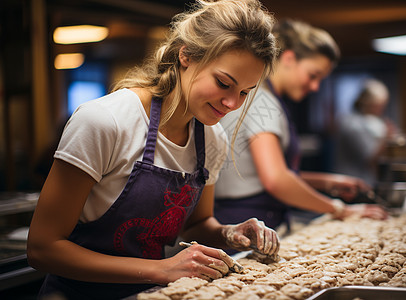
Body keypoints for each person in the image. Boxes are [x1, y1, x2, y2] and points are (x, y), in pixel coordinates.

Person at [26, 1, 279, 299]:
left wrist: (228, 233)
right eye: (224, 83)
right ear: (186, 55)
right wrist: (162, 269)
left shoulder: (212, 138)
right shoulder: (106, 121)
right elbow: (43, 248)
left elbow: (197, 224)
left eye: (244, 93)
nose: (232, 104)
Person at [214, 19, 388, 232]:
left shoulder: (259, 96)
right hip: (247, 220)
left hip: (243, 215)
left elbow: (258, 172)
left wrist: (328, 182)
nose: (315, 87)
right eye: (313, 75)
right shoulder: (264, 103)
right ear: (289, 58)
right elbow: (275, 179)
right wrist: (340, 209)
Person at [334, 79, 397, 186]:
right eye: (379, 106)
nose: (382, 111)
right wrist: (386, 138)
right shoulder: (353, 125)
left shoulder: (367, 122)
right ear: (369, 104)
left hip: (361, 182)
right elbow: (370, 159)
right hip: (351, 185)